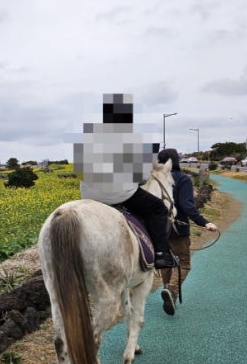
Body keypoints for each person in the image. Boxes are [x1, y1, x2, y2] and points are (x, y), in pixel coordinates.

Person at [74, 94, 177, 270]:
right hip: (121, 194)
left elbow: (80, 169)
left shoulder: (89, 134)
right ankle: (161, 254)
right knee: (158, 208)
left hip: (88, 194)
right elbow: (142, 178)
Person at [156, 148, 218, 315]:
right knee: (184, 263)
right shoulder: (183, 179)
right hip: (178, 228)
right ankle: (172, 290)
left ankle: (166, 290)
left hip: (159, 229)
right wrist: (204, 222)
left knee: (166, 261)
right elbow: (187, 205)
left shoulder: (155, 179)